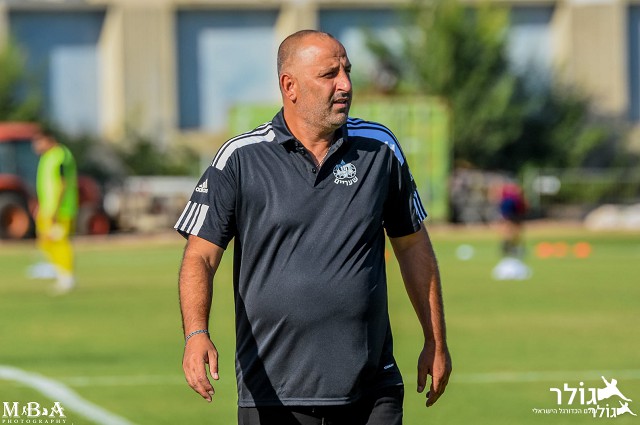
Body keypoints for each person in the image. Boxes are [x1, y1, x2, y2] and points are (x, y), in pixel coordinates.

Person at [176, 30, 452, 424]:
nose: (345, 85)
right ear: (289, 86)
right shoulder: (240, 158)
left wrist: (435, 340)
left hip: (373, 392)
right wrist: (196, 333)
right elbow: (200, 256)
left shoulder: (380, 148)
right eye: (329, 75)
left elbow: (412, 246)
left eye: (347, 71)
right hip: (273, 393)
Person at [32, 128, 78, 294]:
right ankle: (57, 271)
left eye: (38, 141)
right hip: (48, 208)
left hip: (61, 209)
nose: (36, 146)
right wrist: (41, 205)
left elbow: (62, 184)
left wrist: (55, 210)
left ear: (48, 139)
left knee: (59, 241)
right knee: (45, 241)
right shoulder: (47, 157)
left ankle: (67, 277)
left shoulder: (60, 155)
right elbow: (46, 185)